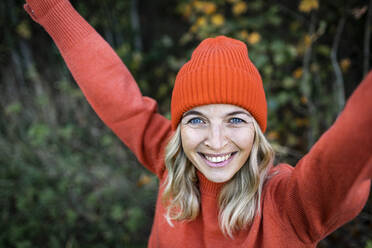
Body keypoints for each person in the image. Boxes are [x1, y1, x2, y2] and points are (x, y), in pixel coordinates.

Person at [24, 0, 372, 247]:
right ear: (179, 130)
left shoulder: (293, 205)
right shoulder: (170, 163)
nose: (216, 141)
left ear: (257, 129)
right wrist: (52, 6)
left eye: (235, 119)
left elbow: (352, 142)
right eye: (197, 120)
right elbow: (112, 89)